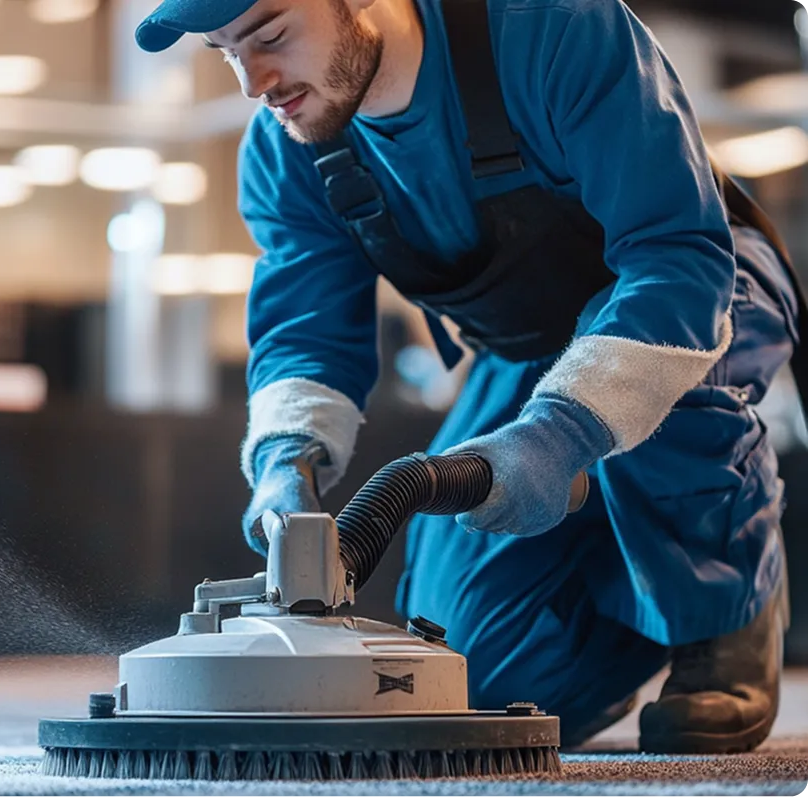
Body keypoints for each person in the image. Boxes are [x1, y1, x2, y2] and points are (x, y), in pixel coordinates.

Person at [134, 0, 804, 753]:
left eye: (270, 36)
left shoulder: (556, 26)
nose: (253, 81)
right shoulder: (290, 147)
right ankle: (647, 585)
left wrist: (561, 434)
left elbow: (674, 255)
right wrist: (285, 460)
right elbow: (305, 328)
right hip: (530, 347)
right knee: (473, 683)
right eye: (227, 52)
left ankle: (722, 608)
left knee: (679, 387)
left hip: (699, 292)